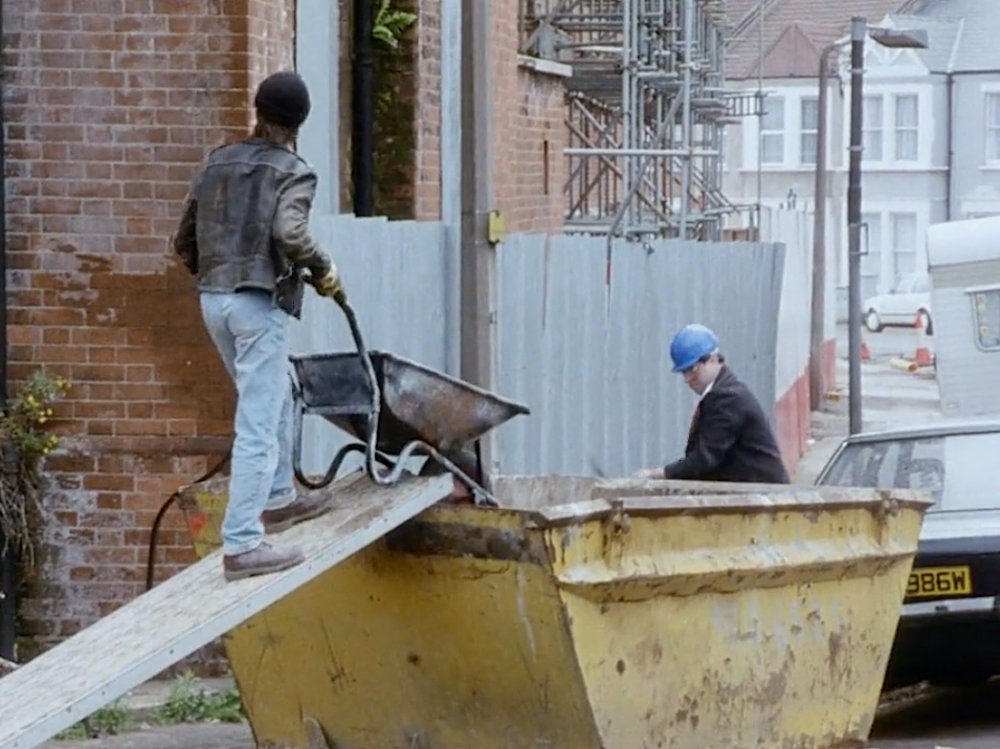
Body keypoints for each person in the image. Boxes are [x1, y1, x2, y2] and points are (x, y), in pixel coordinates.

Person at [172, 71, 345, 582]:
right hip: (256, 304)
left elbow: (184, 240)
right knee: (257, 422)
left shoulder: (218, 161)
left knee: (279, 396)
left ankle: (278, 498)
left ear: (258, 109)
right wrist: (323, 268)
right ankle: (244, 544)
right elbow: (290, 232)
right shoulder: (294, 171)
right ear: (300, 122)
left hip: (214, 301)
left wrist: (215, 278)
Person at [635, 324, 790, 484]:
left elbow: (705, 458)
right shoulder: (723, 392)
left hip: (763, 496)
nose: (688, 379)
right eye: (684, 372)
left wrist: (659, 474)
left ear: (713, 359)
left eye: (693, 369)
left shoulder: (728, 398)